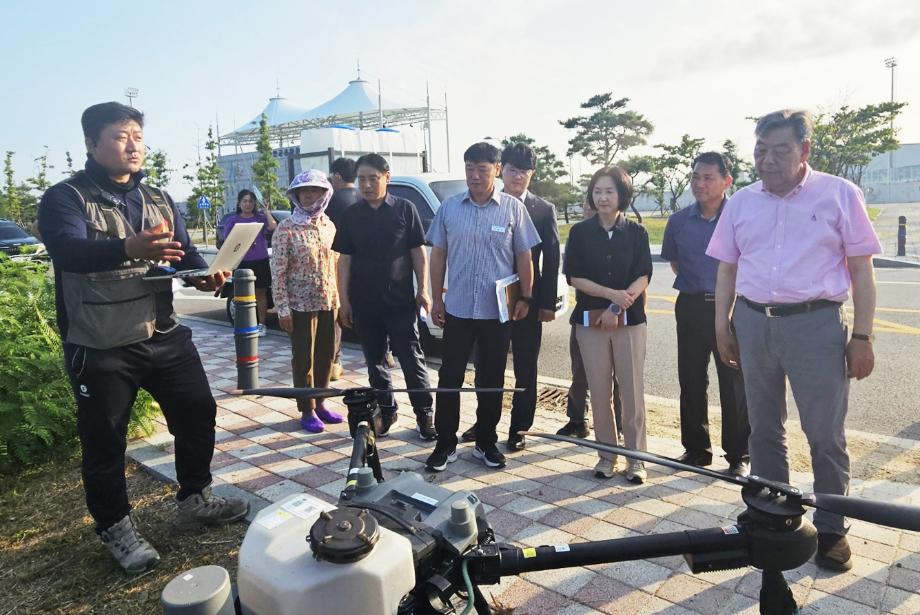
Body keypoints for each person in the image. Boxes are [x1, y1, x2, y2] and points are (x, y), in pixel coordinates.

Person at [37, 102, 248, 574]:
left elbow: (184, 256)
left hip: (163, 332)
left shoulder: (158, 198)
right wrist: (129, 247)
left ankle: (196, 496)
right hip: (100, 342)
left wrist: (203, 276)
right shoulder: (66, 197)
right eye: (119, 136)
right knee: (105, 440)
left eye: (137, 136)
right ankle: (116, 527)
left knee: (198, 412)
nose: (132, 145)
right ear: (91, 143)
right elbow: (68, 252)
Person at [707, 109, 881, 572]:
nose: (768, 160)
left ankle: (831, 529)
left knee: (824, 434)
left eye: (780, 150)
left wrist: (862, 335)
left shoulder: (840, 194)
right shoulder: (741, 202)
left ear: (804, 150)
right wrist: (722, 325)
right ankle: (775, 515)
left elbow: (862, 271)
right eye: (760, 150)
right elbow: (727, 268)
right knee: (763, 430)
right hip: (753, 322)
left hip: (816, 326)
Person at [424, 142, 540, 472]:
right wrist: (437, 298)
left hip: (497, 313)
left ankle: (486, 441)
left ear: (496, 168)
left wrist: (526, 297)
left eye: (482, 169)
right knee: (449, 377)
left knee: (490, 379)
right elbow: (438, 255)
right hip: (458, 309)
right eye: (469, 168)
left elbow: (524, 257)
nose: (475, 176)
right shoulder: (449, 208)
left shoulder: (513, 209)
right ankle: (445, 441)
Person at [460, 143, 560, 452]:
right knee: (487, 364)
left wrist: (545, 303)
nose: (518, 177)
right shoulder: (486, 202)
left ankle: (520, 427)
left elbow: (552, 259)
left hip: (527, 299)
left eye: (525, 172)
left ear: (532, 174)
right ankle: (484, 421)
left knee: (525, 365)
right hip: (489, 299)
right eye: (513, 170)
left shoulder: (543, 209)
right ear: (502, 169)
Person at [333, 153, 436, 440]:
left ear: (386, 178)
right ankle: (387, 411)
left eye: (373, 179)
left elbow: (418, 252)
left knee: (411, 359)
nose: (367, 185)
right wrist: (344, 301)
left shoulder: (405, 209)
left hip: (400, 302)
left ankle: (424, 414)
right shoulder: (351, 216)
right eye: (362, 179)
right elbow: (345, 261)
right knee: (375, 363)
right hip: (365, 304)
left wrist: (423, 290)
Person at [661, 152, 750, 477]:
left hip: (733, 307)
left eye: (708, 177)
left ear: (726, 181)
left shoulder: (740, 217)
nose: (699, 183)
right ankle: (696, 449)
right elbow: (676, 262)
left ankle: (738, 455)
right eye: (695, 176)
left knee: (734, 381)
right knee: (691, 378)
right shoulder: (679, 221)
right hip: (691, 305)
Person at [564, 167, 653, 483]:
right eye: (597, 191)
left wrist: (617, 305)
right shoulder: (579, 233)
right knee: (599, 391)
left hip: (630, 322)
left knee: (631, 392)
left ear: (622, 196)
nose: (602, 197)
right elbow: (574, 276)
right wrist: (608, 296)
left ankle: (636, 460)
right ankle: (606, 457)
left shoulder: (637, 233)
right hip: (590, 323)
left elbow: (643, 275)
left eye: (609, 191)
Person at [271, 170, 344, 433]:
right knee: (303, 359)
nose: (309, 195)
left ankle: (322, 402)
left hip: (328, 301)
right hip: (299, 305)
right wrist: (282, 308)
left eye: (314, 190)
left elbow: (337, 264)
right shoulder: (287, 228)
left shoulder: (329, 226)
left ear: (324, 193)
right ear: (296, 195)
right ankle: (307, 408)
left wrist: (342, 300)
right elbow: (277, 271)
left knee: (326, 355)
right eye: (303, 191)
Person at [556, 202, 624, 439]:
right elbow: (572, 276)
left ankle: (621, 425)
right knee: (580, 371)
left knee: (619, 375)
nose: (589, 211)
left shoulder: (625, 234)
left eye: (592, 207)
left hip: (620, 315)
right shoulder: (579, 235)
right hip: (585, 314)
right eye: (586, 205)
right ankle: (577, 420)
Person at [222, 189, 277, 335]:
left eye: (251, 201)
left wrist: (266, 211)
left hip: (260, 261)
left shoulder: (260, 218)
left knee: (260, 294)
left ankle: (262, 325)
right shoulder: (232, 221)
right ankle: (246, 324)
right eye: (245, 201)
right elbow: (228, 241)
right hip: (241, 262)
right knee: (243, 295)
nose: (248, 204)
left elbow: (273, 227)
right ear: (239, 203)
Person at [326, 157, 362, 380]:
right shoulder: (364, 196)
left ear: (337, 176)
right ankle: (385, 353)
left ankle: (335, 362)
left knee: (336, 312)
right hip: (364, 264)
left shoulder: (331, 201)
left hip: (338, 262)